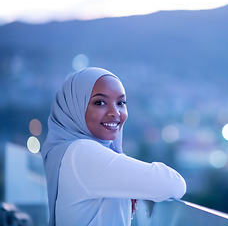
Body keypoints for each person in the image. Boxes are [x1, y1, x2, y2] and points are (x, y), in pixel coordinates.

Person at [41, 67, 186, 226]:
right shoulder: (83, 153)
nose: (115, 112)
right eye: (100, 102)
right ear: (74, 107)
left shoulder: (69, 151)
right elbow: (174, 184)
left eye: (121, 102)